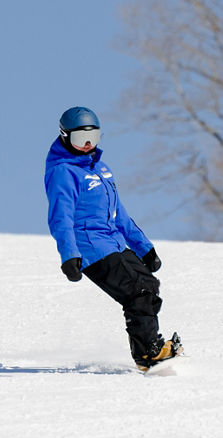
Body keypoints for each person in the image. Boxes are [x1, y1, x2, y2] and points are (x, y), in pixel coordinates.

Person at [44, 106, 182, 371]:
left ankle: (151, 345)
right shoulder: (63, 172)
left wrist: (144, 248)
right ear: (64, 136)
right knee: (138, 293)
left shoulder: (101, 168)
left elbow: (120, 214)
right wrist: (69, 255)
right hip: (90, 249)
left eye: (93, 137)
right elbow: (61, 218)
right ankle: (148, 355)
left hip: (114, 242)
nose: (87, 145)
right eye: (80, 139)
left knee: (149, 285)